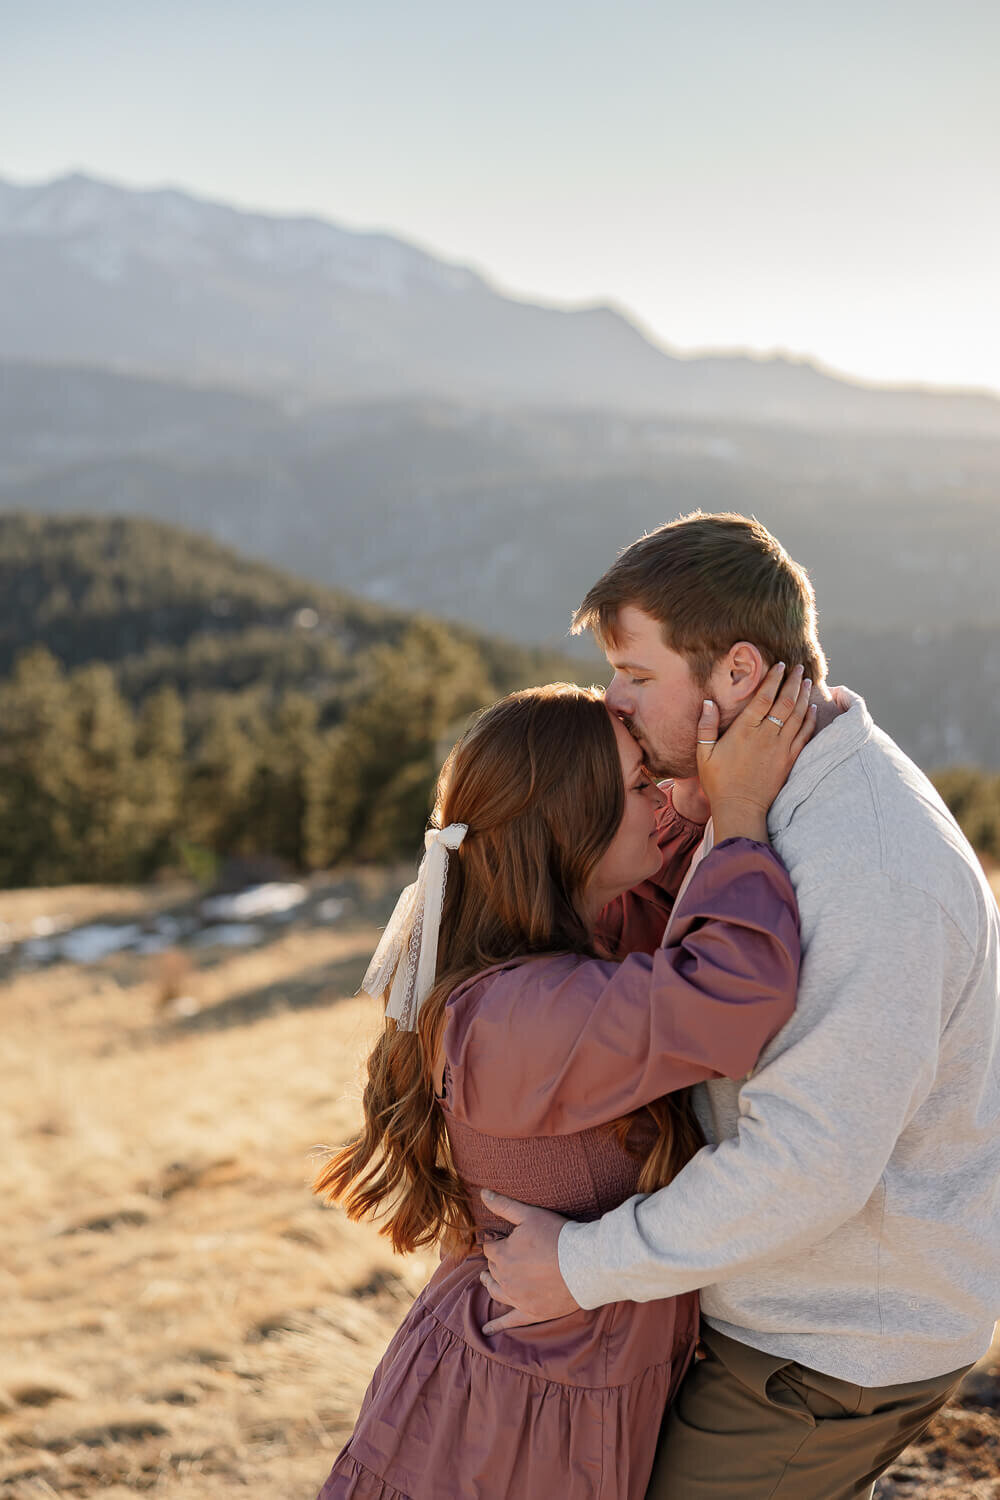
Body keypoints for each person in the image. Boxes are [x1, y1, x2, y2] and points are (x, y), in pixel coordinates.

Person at [481, 512, 1000, 1500]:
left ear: (736, 675)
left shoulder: (866, 868)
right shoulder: (760, 793)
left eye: (634, 675)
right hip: (773, 1297)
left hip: (830, 1344)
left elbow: (810, 1163)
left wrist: (581, 1267)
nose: (612, 701)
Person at [312, 669, 816, 1500]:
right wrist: (739, 817)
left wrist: (691, 808)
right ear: (569, 827)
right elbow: (735, 995)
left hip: (559, 1390)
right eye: (640, 785)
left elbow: (656, 921)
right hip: (510, 1424)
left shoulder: (556, 961)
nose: (661, 800)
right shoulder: (520, 1019)